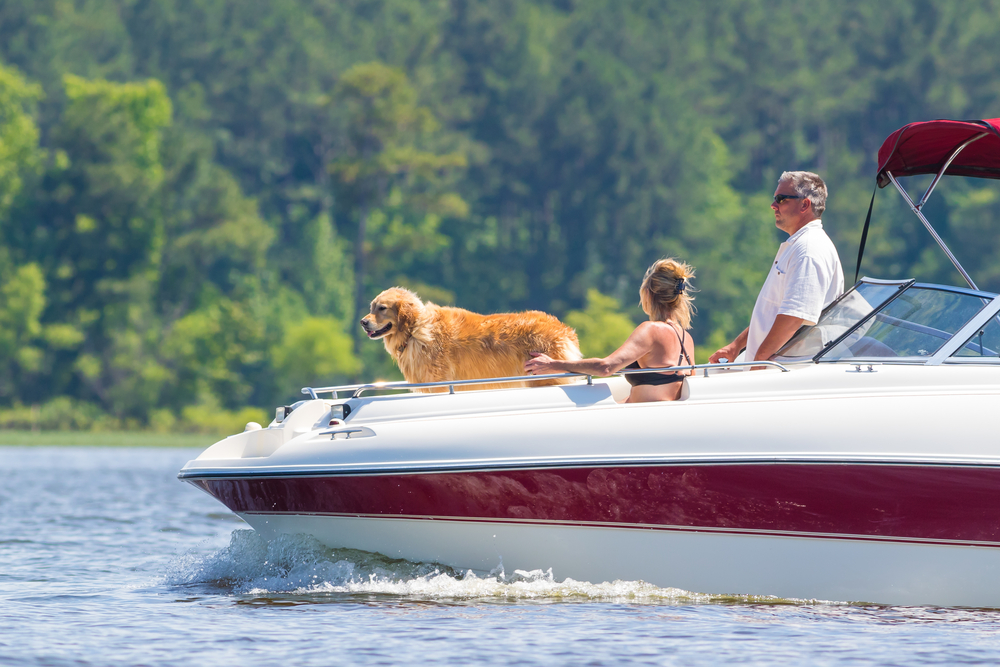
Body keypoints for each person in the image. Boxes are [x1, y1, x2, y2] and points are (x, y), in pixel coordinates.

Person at [709, 171, 844, 366]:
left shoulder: (808, 249)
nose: (773, 205)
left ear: (805, 204)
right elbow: (776, 312)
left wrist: (758, 363)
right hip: (777, 368)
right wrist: (737, 345)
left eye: (781, 199)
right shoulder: (801, 244)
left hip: (785, 371)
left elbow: (793, 317)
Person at [525, 258, 696, 403]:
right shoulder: (686, 338)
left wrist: (553, 365)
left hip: (642, 424)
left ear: (649, 294)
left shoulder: (651, 330)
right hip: (665, 421)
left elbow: (605, 368)